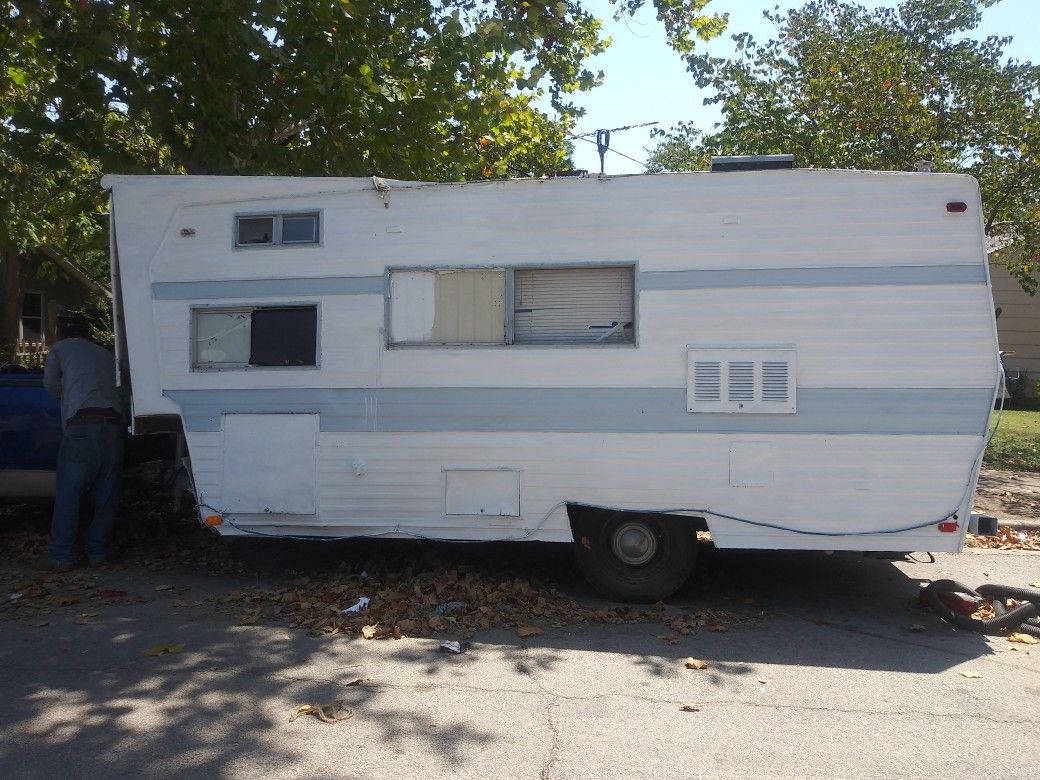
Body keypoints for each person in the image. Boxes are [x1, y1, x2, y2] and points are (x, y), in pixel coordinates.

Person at [43, 317, 125, 570]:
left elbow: (51, 385)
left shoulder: (60, 349)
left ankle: (62, 556)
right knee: (107, 493)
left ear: (63, 334)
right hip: (114, 424)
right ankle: (98, 553)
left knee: (69, 492)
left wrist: (68, 394)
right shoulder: (107, 354)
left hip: (82, 424)